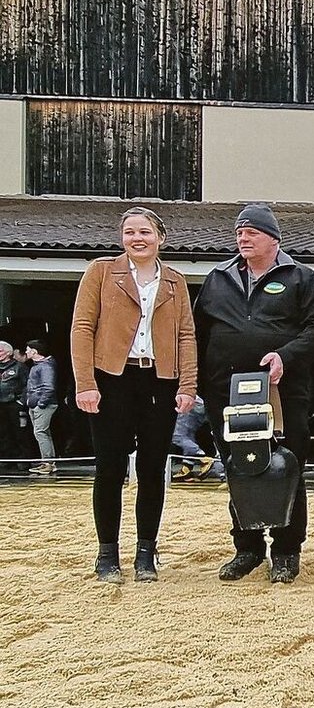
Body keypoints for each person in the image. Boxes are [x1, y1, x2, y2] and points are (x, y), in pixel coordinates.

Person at [195, 203, 314, 584]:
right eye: (239, 232)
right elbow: (198, 332)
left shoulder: (302, 278)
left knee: (286, 467)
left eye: (251, 232)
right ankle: (247, 548)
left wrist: (286, 356)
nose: (242, 237)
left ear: (274, 238)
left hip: (282, 393)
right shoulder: (217, 279)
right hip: (226, 393)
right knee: (239, 467)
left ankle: (287, 551)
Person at [69, 207, 198, 584]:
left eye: (144, 232)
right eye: (129, 232)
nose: (136, 239)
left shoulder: (175, 281)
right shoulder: (101, 272)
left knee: (152, 468)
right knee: (109, 468)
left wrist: (187, 385)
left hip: (158, 380)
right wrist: (85, 383)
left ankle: (146, 552)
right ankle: (107, 553)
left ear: (161, 237)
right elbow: (81, 328)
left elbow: (186, 336)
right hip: (111, 378)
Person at [23, 340, 58, 475]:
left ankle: (48, 463)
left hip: (44, 405)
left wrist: (40, 404)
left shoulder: (45, 366)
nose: (26, 352)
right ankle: (48, 461)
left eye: (28, 349)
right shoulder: (39, 366)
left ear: (35, 351)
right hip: (36, 403)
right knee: (43, 432)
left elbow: (49, 387)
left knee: (40, 432)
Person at [171, 395, 225, 481]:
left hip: (190, 402)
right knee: (188, 435)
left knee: (177, 436)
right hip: (201, 402)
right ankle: (188, 465)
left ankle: (201, 457)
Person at [0, 342, 26, 473]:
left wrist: (21, 401)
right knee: (3, 433)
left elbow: (27, 385)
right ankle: (6, 459)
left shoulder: (19, 366)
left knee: (18, 433)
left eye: (0, 351)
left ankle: (22, 460)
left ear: (8, 353)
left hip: (14, 404)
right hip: (1, 406)